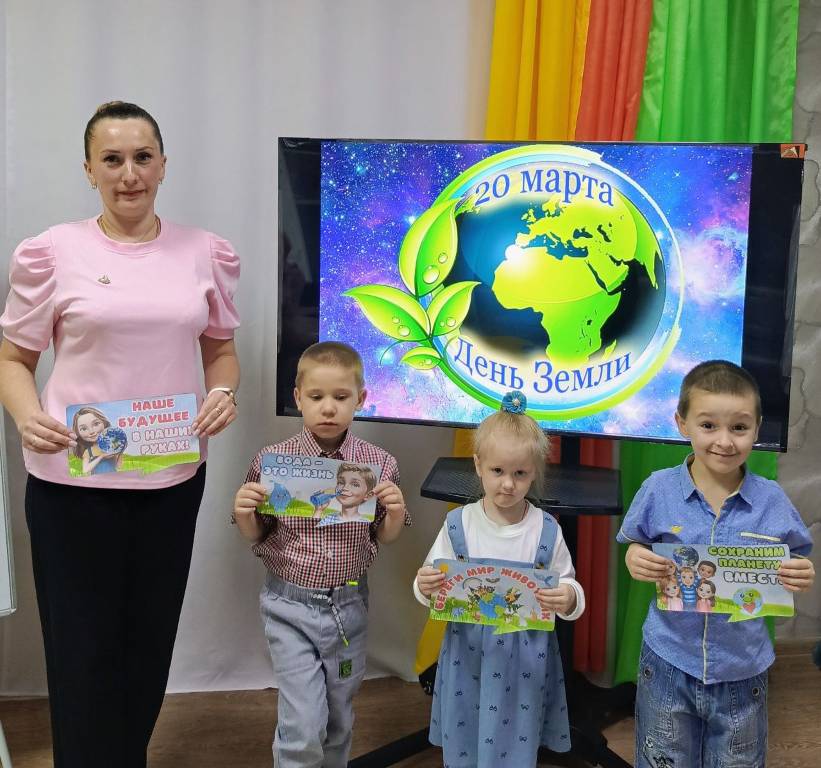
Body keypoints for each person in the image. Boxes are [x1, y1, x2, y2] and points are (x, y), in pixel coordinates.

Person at [0, 101, 240, 768]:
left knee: (147, 645)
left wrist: (222, 393)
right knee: (81, 651)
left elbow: (221, 353)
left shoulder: (205, 252)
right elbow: (13, 360)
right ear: (89, 170)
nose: (128, 174)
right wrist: (25, 414)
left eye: (141, 157)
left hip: (170, 481)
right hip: (71, 486)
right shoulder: (52, 251)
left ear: (162, 165)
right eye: (112, 160)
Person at [617, 360, 814, 768]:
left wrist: (799, 570)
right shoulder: (658, 489)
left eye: (739, 427)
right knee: (663, 761)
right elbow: (635, 542)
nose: (724, 441)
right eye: (708, 425)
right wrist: (635, 556)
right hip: (669, 660)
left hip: (743, 669)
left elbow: (796, 556)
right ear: (682, 424)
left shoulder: (772, 500)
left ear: (757, 429)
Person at [232, 340, 410, 768]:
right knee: (303, 722)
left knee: (338, 718)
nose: (328, 408)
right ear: (298, 398)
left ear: (361, 399)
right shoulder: (274, 461)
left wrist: (395, 511)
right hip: (288, 606)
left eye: (341, 397)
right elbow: (257, 534)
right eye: (316, 397)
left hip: (349, 606)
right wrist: (243, 513)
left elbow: (384, 537)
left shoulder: (378, 464)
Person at [413, 391, 585, 768]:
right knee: (465, 735)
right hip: (467, 654)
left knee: (517, 740)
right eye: (497, 471)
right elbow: (430, 581)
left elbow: (569, 585)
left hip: (524, 659)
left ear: (534, 471)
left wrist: (568, 597)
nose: (508, 484)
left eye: (519, 473)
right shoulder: (458, 523)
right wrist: (424, 586)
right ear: (478, 465)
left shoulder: (546, 529)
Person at [72, 406, 124, 474]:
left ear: (104, 423)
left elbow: (119, 466)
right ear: (78, 432)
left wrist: (120, 451)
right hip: (97, 479)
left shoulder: (111, 446)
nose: (91, 431)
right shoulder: (88, 452)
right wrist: (101, 456)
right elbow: (85, 470)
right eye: (84, 429)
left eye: (96, 424)